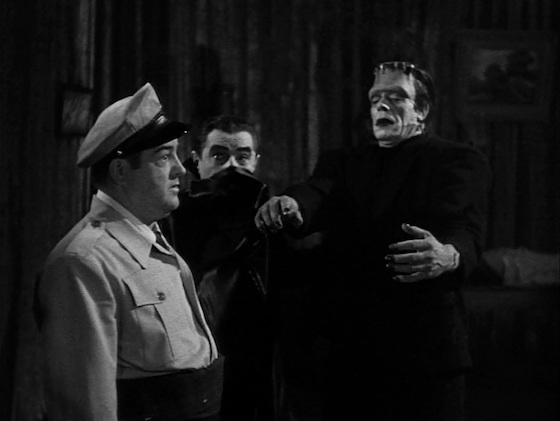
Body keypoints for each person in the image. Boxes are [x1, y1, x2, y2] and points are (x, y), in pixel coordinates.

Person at [255, 61, 491, 420]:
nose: (382, 105)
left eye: (396, 97)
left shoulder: (457, 160)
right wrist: (293, 204)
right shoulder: (345, 162)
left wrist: (448, 254)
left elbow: (466, 231)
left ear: (422, 109)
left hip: (426, 345)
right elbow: (317, 192)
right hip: (352, 347)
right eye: (376, 98)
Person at [36, 83, 223, 421]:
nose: (180, 169)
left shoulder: (151, 239)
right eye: (164, 157)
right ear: (121, 171)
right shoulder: (84, 262)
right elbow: (85, 406)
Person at [168, 115, 273, 421]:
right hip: (192, 361)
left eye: (242, 156)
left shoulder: (270, 217)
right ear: (197, 161)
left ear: (255, 162)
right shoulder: (173, 217)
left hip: (254, 359)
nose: (231, 167)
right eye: (219, 156)